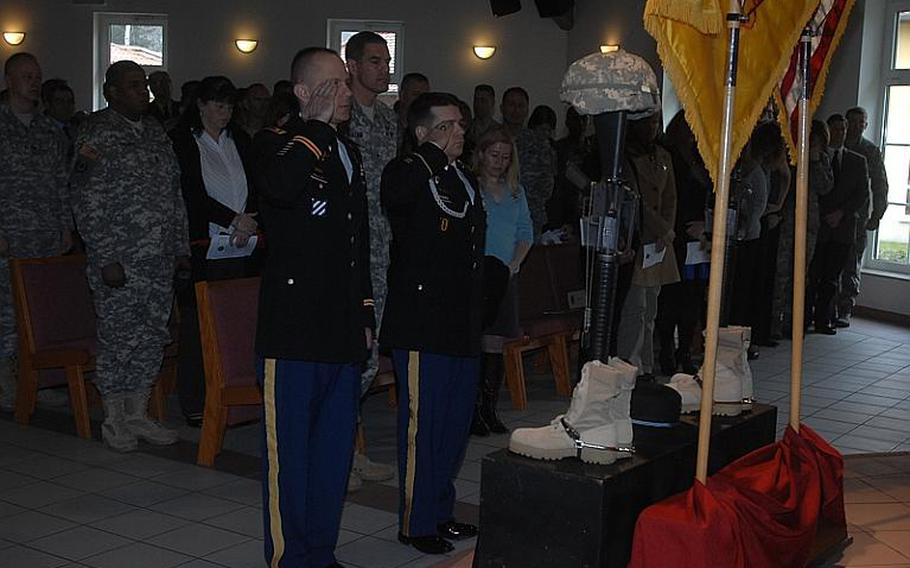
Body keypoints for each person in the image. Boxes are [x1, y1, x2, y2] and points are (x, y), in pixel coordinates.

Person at [252, 47, 373, 568]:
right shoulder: (276, 145)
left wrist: (365, 312)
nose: (345, 94)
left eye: (346, 85)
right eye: (334, 86)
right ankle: (288, 558)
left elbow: (356, 243)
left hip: (340, 330)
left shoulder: (349, 152)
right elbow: (278, 191)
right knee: (290, 460)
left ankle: (320, 554)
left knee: (330, 457)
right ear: (303, 92)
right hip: (294, 331)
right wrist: (317, 129)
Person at [381, 92, 484, 554]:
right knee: (423, 426)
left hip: (460, 321)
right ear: (422, 133)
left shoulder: (462, 178)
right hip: (422, 322)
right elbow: (396, 197)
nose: (459, 133)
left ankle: (441, 510)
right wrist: (430, 151)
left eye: (461, 125)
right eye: (446, 126)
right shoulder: (406, 171)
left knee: (453, 425)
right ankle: (416, 521)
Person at [70, 60, 189, 451]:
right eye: (134, 86)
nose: (144, 92)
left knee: (152, 336)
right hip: (120, 259)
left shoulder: (155, 132)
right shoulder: (97, 133)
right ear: (112, 92)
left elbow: (174, 195)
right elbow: (85, 200)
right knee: (119, 337)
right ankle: (115, 417)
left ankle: (138, 412)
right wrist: (104, 256)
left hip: (158, 258)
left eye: (145, 86)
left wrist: (180, 248)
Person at [169, 75, 259, 426]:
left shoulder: (241, 139)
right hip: (206, 243)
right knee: (199, 325)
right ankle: (195, 400)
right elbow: (191, 193)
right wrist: (232, 219)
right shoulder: (184, 141)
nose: (225, 113)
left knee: (239, 318)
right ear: (202, 105)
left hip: (243, 240)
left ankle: (238, 393)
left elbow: (254, 182)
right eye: (219, 105)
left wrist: (248, 218)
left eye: (230, 106)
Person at [0, 53, 74, 411]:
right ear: (9, 80)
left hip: (45, 236)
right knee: (7, 312)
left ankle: (39, 381)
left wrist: (65, 226)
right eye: (26, 76)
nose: (34, 81)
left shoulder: (50, 130)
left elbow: (62, 182)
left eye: (37, 75)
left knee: (41, 313)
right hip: (9, 235)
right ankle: (6, 381)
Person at [343, 30, 399, 489]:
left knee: (368, 356)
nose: (384, 69)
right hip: (349, 255)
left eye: (386, 61)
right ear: (353, 66)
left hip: (384, 253)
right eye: (375, 61)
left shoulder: (387, 120)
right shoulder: (339, 119)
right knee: (349, 355)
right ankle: (337, 453)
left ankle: (349, 449)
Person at [470, 125, 532, 436]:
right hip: (476, 273)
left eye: (505, 157)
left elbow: (525, 233)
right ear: (481, 154)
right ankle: (471, 411)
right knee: (475, 340)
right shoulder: (471, 187)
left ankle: (488, 409)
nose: (499, 161)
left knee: (495, 342)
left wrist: (514, 265)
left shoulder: (516, 192)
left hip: (505, 273)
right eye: (494, 155)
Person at [616, 110, 678, 380]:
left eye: (656, 122)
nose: (652, 128)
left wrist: (667, 229)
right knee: (636, 308)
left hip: (659, 243)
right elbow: (636, 199)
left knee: (652, 308)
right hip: (639, 237)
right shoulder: (627, 155)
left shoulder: (663, 156)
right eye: (648, 122)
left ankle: (648, 365)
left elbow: (670, 197)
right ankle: (631, 364)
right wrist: (661, 228)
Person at [656, 110, 710, 375]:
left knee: (693, 296)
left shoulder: (702, 157)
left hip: (698, 240)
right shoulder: (669, 157)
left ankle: (685, 349)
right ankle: (666, 348)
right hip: (676, 236)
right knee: (671, 296)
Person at [809, 114, 869, 335]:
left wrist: (842, 213)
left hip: (843, 227)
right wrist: (826, 214)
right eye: (836, 129)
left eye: (843, 130)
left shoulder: (857, 160)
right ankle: (805, 317)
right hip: (819, 225)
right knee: (813, 274)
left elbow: (862, 194)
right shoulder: (817, 158)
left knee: (832, 278)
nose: (840, 133)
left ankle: (825, 319)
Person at [773, 119, 834, 338]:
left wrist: (815, 160)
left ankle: (792, 321)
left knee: (800, 274)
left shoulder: (822, 159)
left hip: (808, 224)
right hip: (787, 221)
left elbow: (826, 187)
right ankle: (774, 322)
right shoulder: (790, 154)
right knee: (781, 274)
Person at [838, 106, 889, 327]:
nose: (858, 126)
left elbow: (880, 185)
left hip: (858, 217)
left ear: (866, 125)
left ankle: (845, 307)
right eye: (854, 122)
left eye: (862, 122)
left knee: (852, 262)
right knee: (830, 261)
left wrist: (877, 214)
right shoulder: (836, 145)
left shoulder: (870, 151)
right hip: (836, 215)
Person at [502, 86, 555, 239]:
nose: (515, 110)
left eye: (520, 106)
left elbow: (546, 185)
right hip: (497, 214)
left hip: (530, 215)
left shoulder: (539, 142)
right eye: (511, 104)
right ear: (502, 108)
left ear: (527, 110)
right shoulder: (491, 140)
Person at [396, 72, 430, 150]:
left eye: (425, 95)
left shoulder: (429, 126)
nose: (421, 99)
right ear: (402, 95)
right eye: (416, 94)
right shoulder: (386, 121)